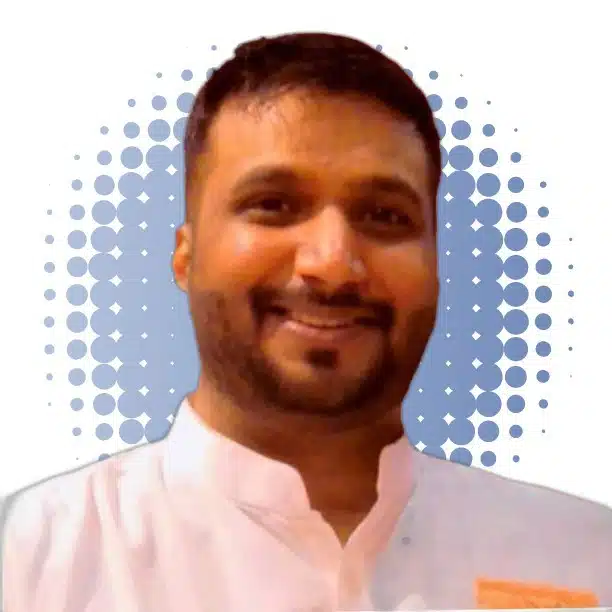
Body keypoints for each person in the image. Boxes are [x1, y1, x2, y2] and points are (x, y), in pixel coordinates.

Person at [2, 32, 611, 612]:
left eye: (385, 216)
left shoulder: (586, 558)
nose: (333, 264)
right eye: (273, 205)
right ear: (185, 256)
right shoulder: (32, 561)